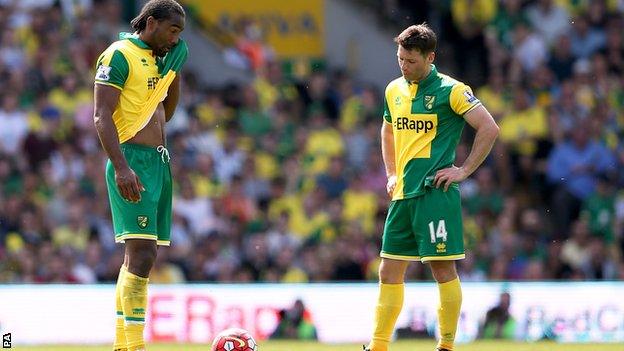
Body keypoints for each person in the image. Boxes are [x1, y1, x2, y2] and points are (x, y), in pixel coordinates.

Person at [365, 23, 499, 351]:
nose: (404, 66)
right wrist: (392, 172)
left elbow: (489, 128)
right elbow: (387, 130)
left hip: (434, 195)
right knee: (388, 270)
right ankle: (378, 345)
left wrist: (464, 170)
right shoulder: (394, 89)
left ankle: (446, 345)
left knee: (442, 269)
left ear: (430, 57)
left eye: (410, 61)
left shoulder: (451, 90)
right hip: (402, 196)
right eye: (400, 59)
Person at [92, 1, 187, 350]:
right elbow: (101, 115)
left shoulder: (159, 59)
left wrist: (173, 69)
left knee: (144, 256)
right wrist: (121, 167)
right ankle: (132, 345)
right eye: (172, 31)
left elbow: (168, 112)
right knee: (142, 254)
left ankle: (124, 344)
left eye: (180, 34)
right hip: (130, 160)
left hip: (158, 161)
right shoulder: (118, 55)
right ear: (151, 22)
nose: (175, 39)